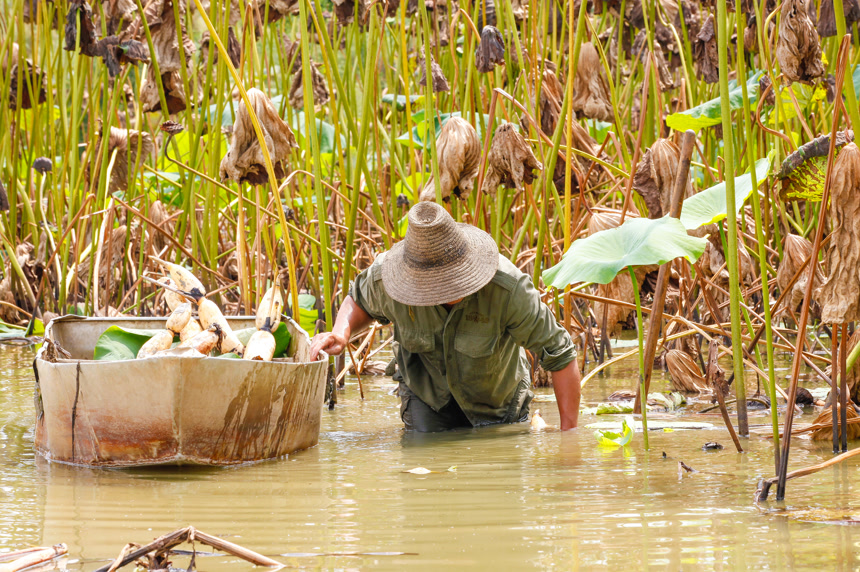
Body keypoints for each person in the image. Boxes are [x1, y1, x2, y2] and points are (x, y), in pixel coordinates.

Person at [310, 202, 581, 432]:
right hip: (427, 397)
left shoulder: (508, 288)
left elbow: (560, 353)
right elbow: (359, 299)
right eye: (439, 285)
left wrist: (569, 440)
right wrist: (341, 333)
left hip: (498, 401)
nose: (450, 291)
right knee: (425, 461)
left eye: (456, 279)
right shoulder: (388, 279)